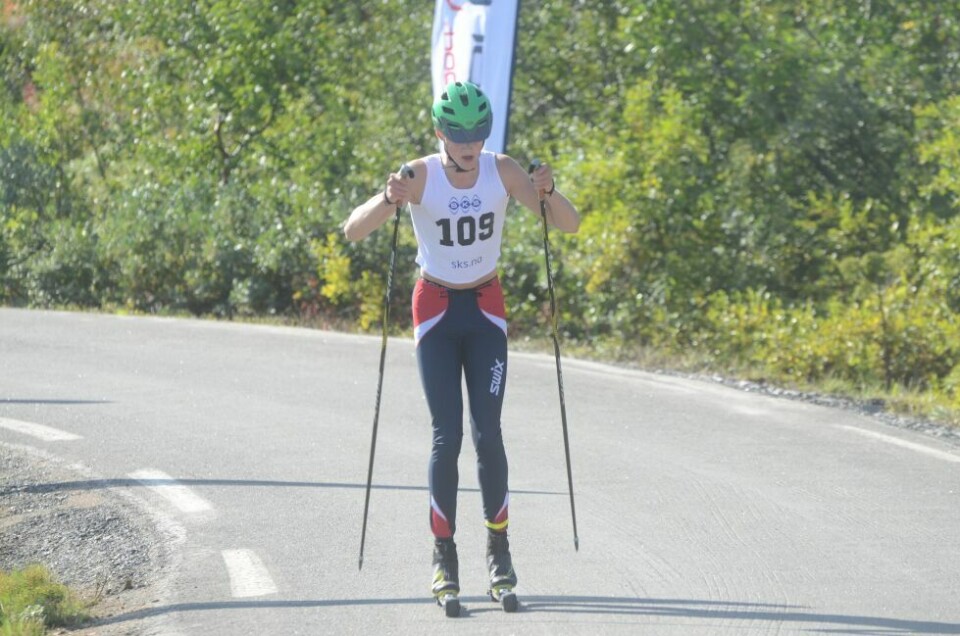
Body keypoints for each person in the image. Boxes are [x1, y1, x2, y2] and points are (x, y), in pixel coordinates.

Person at [344, 80, 580, 602]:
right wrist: (388, 198)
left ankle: (499, 551)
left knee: (488, 432)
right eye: (458, 134)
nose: (470, 144)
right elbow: (353, 231)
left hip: (485, 310)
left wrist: (549, 191)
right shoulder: (420, 175)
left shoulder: (503, 170)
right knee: (446, 435)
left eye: (478, 133)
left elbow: (569, 225)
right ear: (440, 134)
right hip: (435, 312)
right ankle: (443, 556)